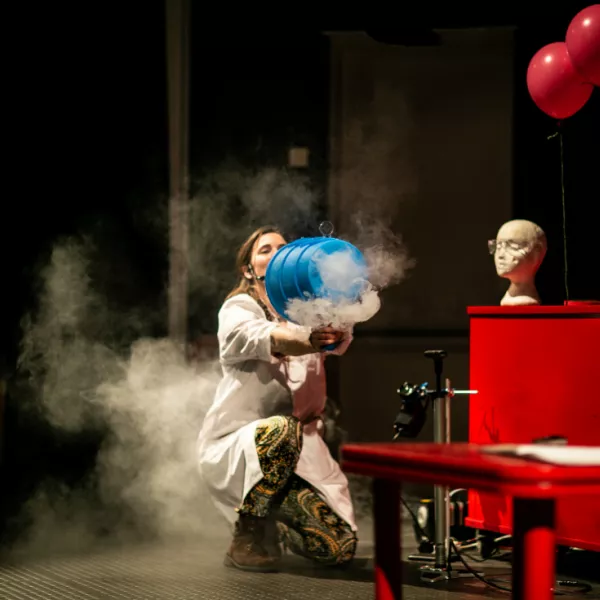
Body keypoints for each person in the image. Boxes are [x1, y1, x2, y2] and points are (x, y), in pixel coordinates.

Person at [197, 225, 358, 572]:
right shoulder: (239, 308)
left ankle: (277, 523)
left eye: (283, 247)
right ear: (248, 269)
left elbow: (341, 333)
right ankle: (248, 534)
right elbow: (274, 337)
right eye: (265, 249)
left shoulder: (306, 309)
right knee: (282, 430)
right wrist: (311, 339)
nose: (277, 253)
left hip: (303, 449)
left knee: (339, 548)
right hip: (244, 443)